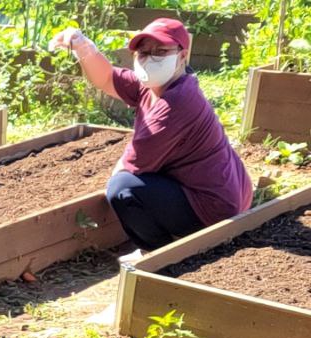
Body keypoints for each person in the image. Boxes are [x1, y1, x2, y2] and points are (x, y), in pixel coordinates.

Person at [50, 17, 251, 253]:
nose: (150, 58)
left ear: (182, 55)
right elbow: (106, 78)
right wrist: (83, 47)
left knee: (122, 188)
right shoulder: (154, 87)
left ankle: (164, 254)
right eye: (143, 53)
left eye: (160, 51)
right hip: (223, 192)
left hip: (213, 209)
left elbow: (131, 167)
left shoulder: (176, 103)